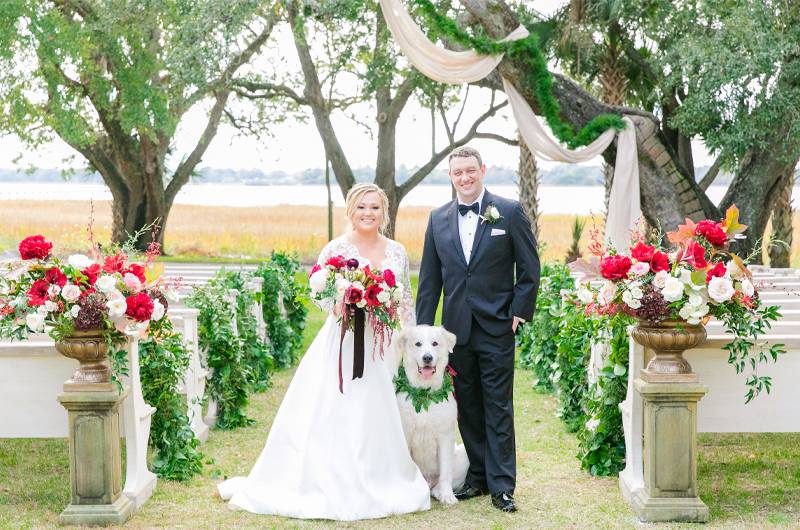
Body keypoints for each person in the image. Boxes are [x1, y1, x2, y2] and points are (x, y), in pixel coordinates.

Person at [218, 183, 430, 521]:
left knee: (376, 408)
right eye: (361, 207)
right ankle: (328, 476)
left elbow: (404, 300)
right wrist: (343, 303)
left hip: (380, 344)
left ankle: (378, 474)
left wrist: (407, 339)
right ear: (350, 210)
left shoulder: (397, 251)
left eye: (374, 207)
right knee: (334, 406)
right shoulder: (336, 248)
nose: (368, 213)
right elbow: (319, 291)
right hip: (343, 341)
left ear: (384, 212)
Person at [416, 145, 540, 512]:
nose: (465, 177)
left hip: (497, 326)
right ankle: (479, 478)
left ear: (482, 170)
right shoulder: (437, 219)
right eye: (458, 173)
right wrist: (426, 330)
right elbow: (429, 280)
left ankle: (503, 487)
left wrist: (520, 310)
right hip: (454, 334)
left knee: (498, 406)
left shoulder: (510, 212)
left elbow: (529, 269)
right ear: (451, 176)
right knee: (467, 407)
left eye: (471, 170)